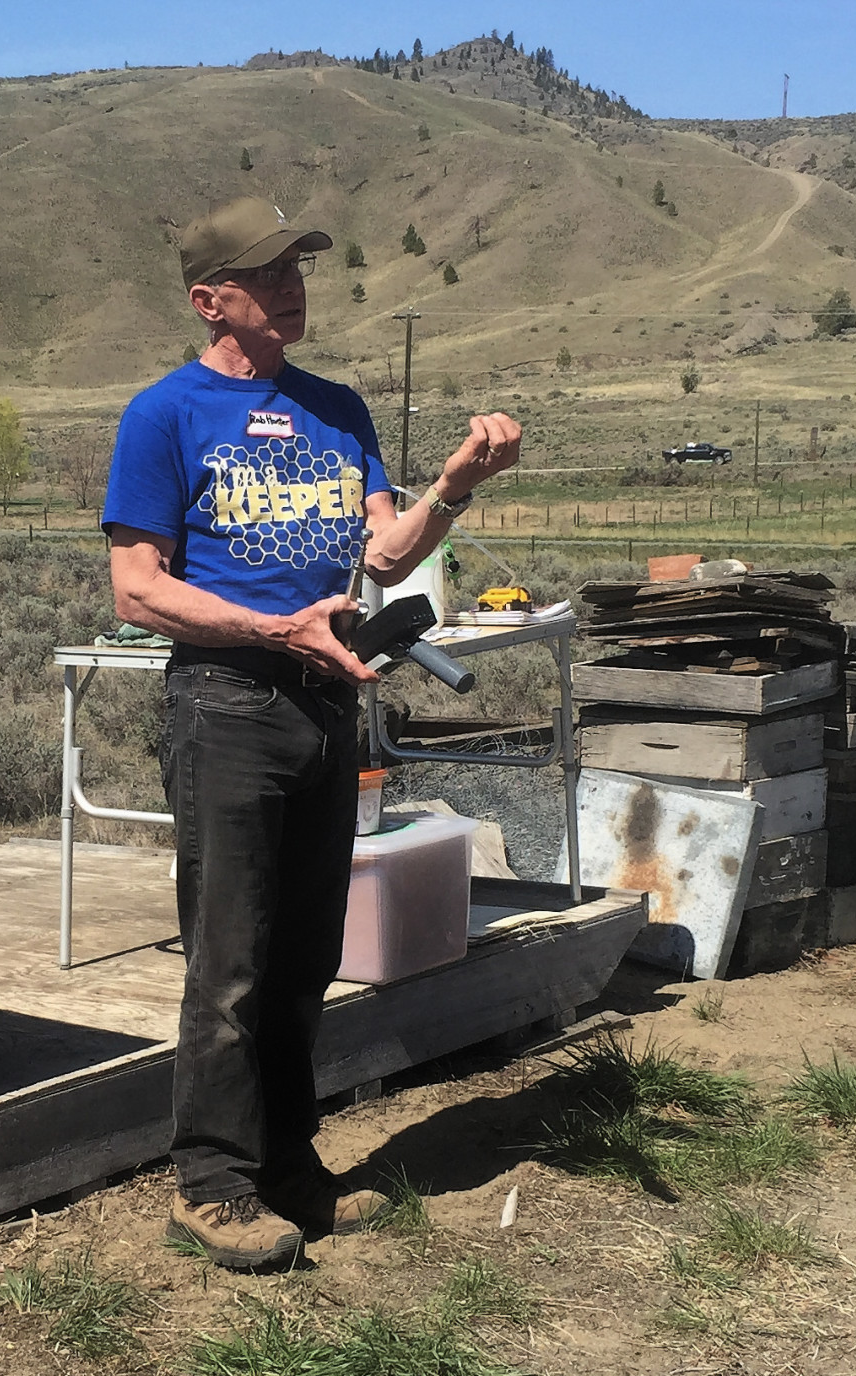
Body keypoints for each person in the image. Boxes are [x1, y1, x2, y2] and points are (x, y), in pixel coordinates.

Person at [102, 196, 521, 1270]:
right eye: (267, 274)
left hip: (326, 705)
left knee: (302, 961)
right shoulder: (163, 416)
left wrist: (452, 490)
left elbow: (385, 553)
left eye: (299, 269)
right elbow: (137, 589)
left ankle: (288, 1165)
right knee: (230, 962)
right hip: (226, 706)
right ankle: (210, 1185)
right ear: (209, 300)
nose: (292, 287)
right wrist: (272, 626)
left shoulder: (337, 409)